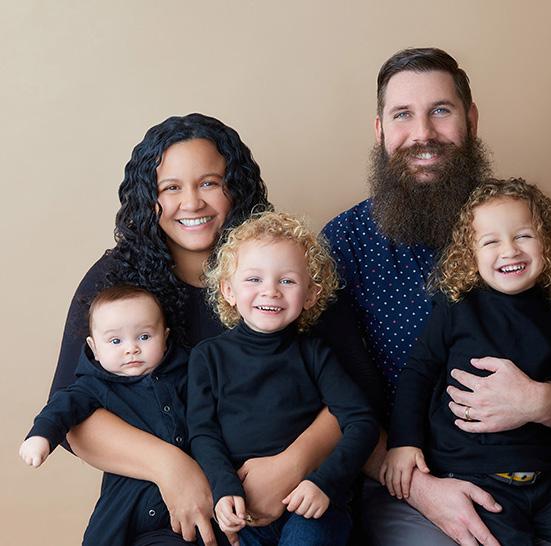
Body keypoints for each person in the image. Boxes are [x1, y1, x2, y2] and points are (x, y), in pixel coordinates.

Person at [49, 113, 383, 546]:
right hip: (162, 506)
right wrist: (171, 467)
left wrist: (292, 463)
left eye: (209, 183)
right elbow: (72, 413)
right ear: (148, 197)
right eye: (171, 187)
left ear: (235, 187)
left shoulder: (284, 268)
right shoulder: (115, 281)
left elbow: (357, 395)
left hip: (293, 498)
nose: (192, 203)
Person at [322, 48, 551, 546]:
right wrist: (421, 489)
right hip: (399, 486)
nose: (423, 133)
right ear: (380, 130)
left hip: (532, 483)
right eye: (403, 115)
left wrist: (537, 400)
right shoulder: (344, 244)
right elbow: (325, 403)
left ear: (471, 120)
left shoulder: (538, 233)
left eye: (440, 110)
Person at [380, 179, 551, 545]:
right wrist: (404, 443)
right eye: (491, 242)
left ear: (547, 242)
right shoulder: (456, 309)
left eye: (523, 236)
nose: (509, 250)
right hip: (477, 485)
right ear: (469, 255)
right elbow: (418, 374)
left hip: (548, 486)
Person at [187, 212, 379, 545]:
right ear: (228, 290)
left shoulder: (315, 354)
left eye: (287, 281)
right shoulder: (208, 357)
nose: (270, 291)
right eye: (254, 279)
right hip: (241, 502)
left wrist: (324, 483)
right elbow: (203, 432)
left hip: (310, 502)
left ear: (311, 294)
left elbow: (362, 422)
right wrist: (224, 487)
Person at [21, 285, 203, 545]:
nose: (132, 349)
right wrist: (41, 436)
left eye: (144, 337)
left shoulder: (188, 373)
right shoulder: (94, 386)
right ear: (94, 348)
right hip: (124, 507)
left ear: (165, 337)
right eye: (116, 341)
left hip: (183, 509)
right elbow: (62, 406)